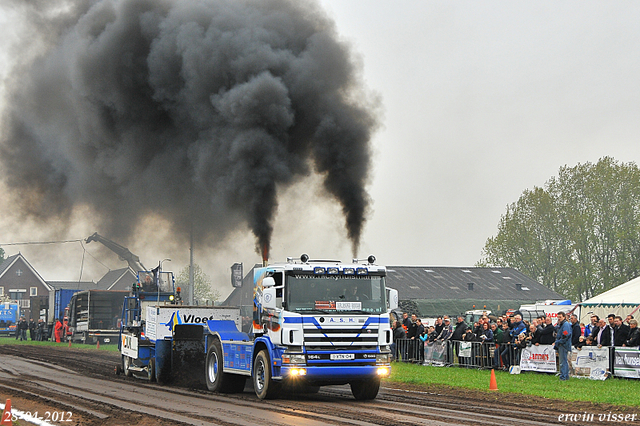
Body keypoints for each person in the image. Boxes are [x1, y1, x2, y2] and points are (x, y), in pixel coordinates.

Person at [554, 311, 572, 381]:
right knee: (564, 361)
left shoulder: (565, 325)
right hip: (562, 344)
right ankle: (566, 376)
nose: (559, 318)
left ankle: (563, 377)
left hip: (563, 345)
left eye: (560, 317)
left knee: (563, 362)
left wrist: (559, 341)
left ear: (564, 317)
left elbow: (566, 334)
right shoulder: (561, 325)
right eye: (558, 317)